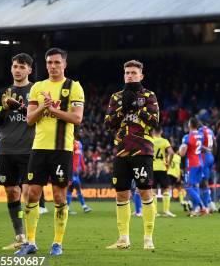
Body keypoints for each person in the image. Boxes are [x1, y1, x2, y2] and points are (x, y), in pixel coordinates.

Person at [16, 48, 85, 257]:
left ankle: (57, 243)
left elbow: (77, 118)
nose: (52, 66)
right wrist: (42, 107)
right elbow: (29, 119)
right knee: (31, 195)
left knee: (58, 196)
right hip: (39, 148)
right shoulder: (38, 87)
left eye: (56, 62)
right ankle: (30, 242)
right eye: (49, 62)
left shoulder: (74, 87)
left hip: (62, 150)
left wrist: (52, 110)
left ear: (64, 64)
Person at [104, 60, 159, 250]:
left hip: (142, 150)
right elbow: (108, 123)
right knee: (121, 194)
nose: (130, 75)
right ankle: (123, 238)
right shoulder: (116, 97)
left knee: (144, 191)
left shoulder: (149, 95)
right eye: (127, 72)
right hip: (121, 150)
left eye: (134, 73)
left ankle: (148, 238)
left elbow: (155, 121)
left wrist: (137, 107)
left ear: (141, 76)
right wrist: (122, 111)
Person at [0, 53, 35, 250]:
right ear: (11, 68)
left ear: (29, 70)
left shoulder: (37, 90)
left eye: (22, 67)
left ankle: (31, 240)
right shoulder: (2, 93)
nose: (18, 70)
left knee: (28, 192)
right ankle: (20, 236)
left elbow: (40, 117)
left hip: (30, 149)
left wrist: (22, 108)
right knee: (11, 191)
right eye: (15, 66)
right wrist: (6, 110)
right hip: (7, 150)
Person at [179, 118, 207, 216]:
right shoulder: (201, 135)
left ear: (189, 125)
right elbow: (201, 147)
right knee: (196, 186)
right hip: (200, 163)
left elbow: (182, 152)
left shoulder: (187, 136)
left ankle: (202, 206)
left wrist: (180, 150)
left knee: (188, 187)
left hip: (192, 164)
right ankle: (196, 210)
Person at [151, 127, 175, 217]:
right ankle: (166, 211)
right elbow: (171, 153)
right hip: (162, 167)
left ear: (153, 131)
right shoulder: (164, 141)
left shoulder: (150, 140)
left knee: (153, 190)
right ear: (161, 131)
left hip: (152, 168)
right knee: (166, 189)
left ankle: (154, 212)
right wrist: (168, 163)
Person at [67, 137, 92, 214]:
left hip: (75, 172)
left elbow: (80, 157)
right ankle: (83, 206)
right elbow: (68, 158)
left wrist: (83, 168)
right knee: (71, 188)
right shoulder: (69, 144)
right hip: (70, 170)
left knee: (75, 188)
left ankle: (83, 206)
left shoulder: (79, 144)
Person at [198, 123, 216, 212]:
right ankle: (210, 203)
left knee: (203, 181)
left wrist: (206, 149)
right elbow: (215, 144)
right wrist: (213, 155)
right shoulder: (211, 131)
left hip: (204, 156)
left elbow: (198, 144)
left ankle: (206, 205)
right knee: (208, 181)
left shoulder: (200, 131)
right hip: (210, 157)